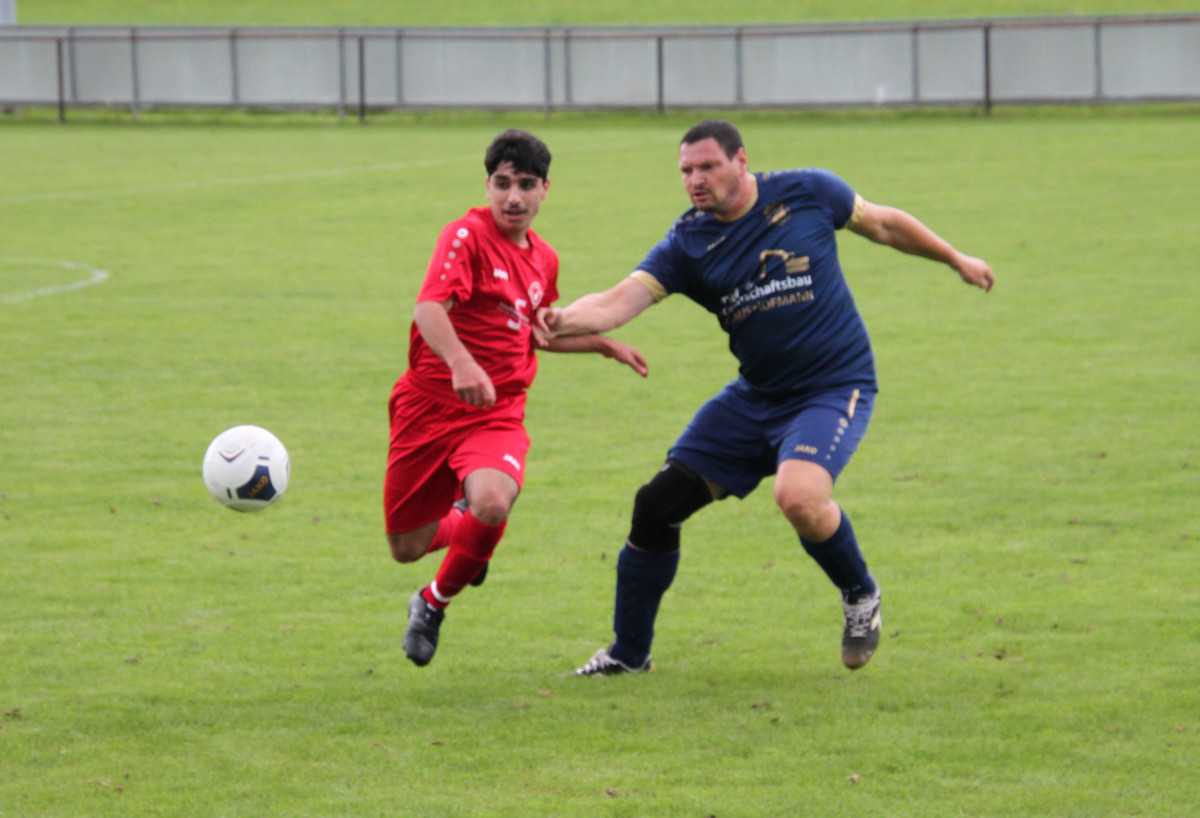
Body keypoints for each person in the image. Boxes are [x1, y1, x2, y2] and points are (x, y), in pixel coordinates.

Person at [536, 119, 994, 676]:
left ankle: (860, 594)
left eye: (707, 167)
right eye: (686, 171)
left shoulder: (807, 191)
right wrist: (561, 319)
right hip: (757, 397)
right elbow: (616, 301)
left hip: (833, 386)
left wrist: (956, 258)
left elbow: (886, 225)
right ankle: (629, 655)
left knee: (798, 496)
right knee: (655, 507)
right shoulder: (688, 243)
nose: (695, 181)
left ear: (741, 160)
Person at [385, 129, 648, 668]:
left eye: (526, 185)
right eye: (503, 184)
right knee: (406, 545)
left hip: (496, 412)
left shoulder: (544, 260)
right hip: (427, 406)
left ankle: (432, 603)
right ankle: (468, 533)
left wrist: (604, 344)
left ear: (545, 189)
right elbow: (429, 309)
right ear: (488, 184)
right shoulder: (464, 236)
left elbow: (537, 332)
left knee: (495, 499)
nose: (513, 198)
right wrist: (461, 362)